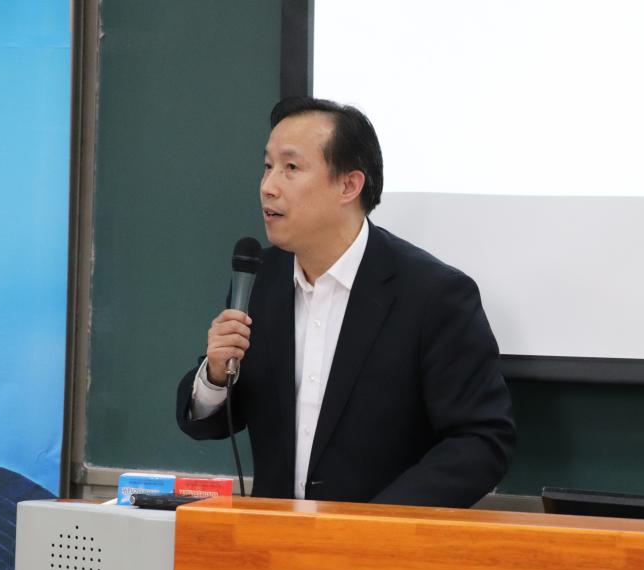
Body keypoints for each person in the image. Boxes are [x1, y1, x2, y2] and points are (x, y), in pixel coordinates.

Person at [175, 97, 514, 508]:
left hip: (381, 541)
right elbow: (211, 423)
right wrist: (215, 374)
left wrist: (376, 523)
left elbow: (481, 440)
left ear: (349, 185)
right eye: (267, 166)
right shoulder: (261, 281)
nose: (268, 186)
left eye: (291, 167)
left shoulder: (433, 295)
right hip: (272, 538)